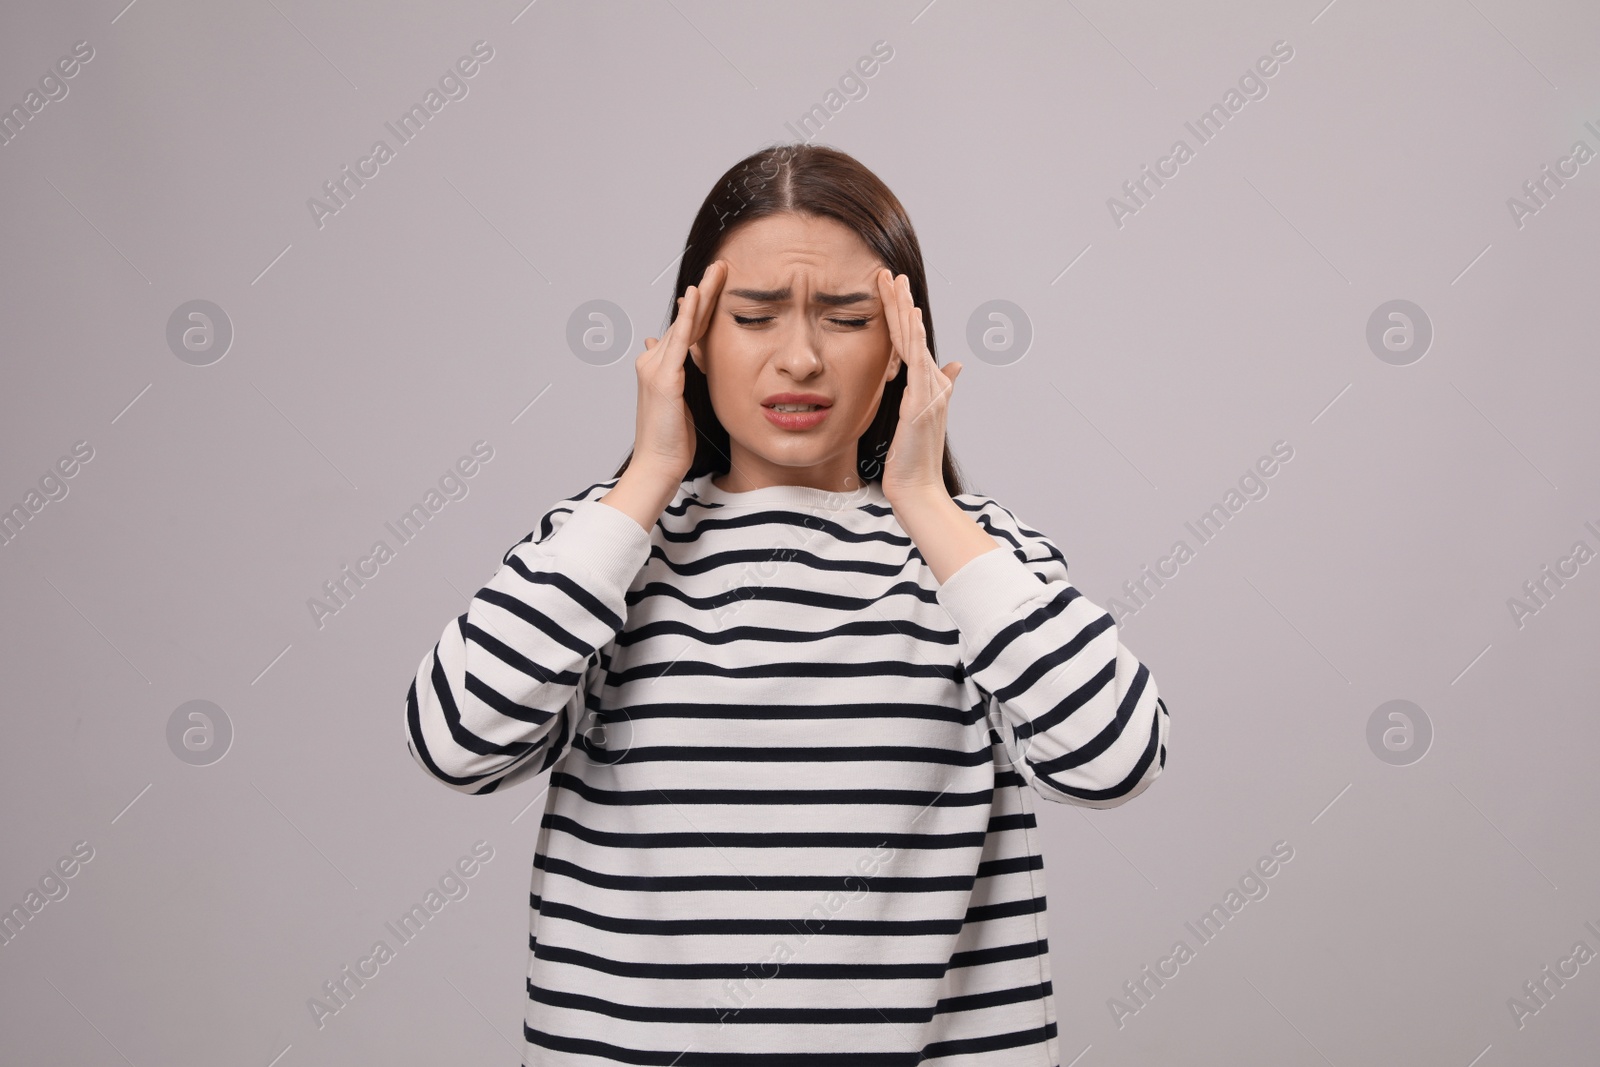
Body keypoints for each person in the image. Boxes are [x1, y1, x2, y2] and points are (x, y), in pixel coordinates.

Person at [405, 143, 1170, 1065]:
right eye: (756, 315)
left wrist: (923, 500)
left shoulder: (978, 560)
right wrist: (649, 474)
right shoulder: (603, 552)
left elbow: (1117, 758)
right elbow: (455, 741)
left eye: (846, 317)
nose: (800, 357)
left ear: (902, 344)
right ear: (691, 338)